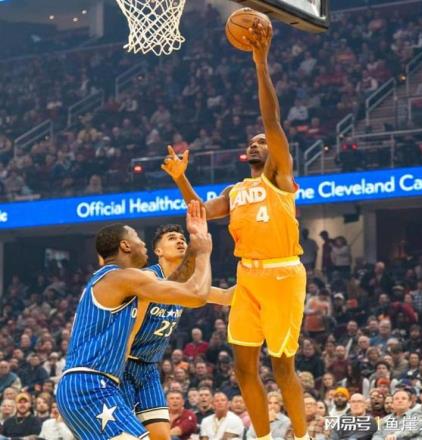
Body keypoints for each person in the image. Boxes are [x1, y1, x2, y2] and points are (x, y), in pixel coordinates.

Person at [162, 20, 309, 440]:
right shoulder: (236, 190)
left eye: (262, 141)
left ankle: (303, 437)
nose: (256, 143)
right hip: (248, 277)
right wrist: (180, 178)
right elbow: (199, 212)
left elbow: (272, 119)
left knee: (283, 366)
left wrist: (260, 63)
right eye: (253, 141)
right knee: (243, 368)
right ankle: (263, 437)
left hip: (282, 274)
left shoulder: (279, 178)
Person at [56, 201, 213, 440]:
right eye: (138, 238)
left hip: (92, 385)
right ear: (125, 245)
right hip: (90, 387)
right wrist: (202, 251)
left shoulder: (120, 281)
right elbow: (196, 294)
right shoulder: (122, 278)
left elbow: (177, 283)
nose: (144, 244)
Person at [121, 224, 233, 440]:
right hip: (125, 364)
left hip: (149, 369)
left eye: (183, 238)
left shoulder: (185, 285)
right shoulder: (147, 278)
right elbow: (130, 331)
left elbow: (226, 296)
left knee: (162, 437)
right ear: (158, 250)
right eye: (172, 238)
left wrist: (261, 274)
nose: (180, 240)